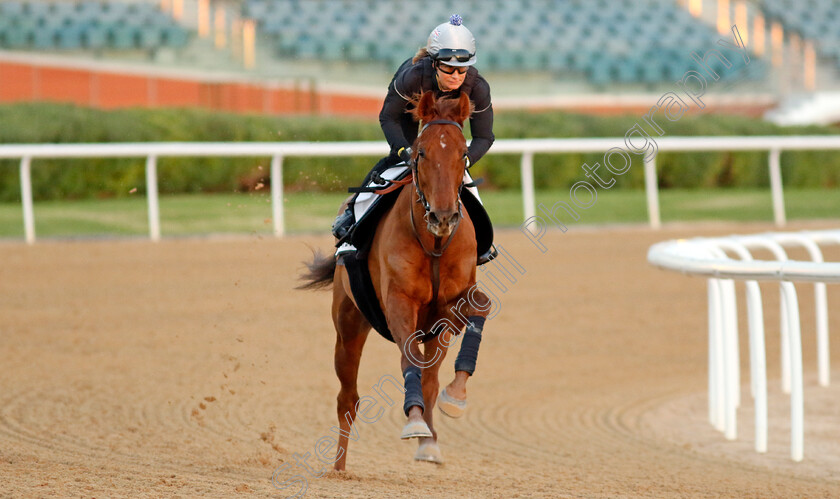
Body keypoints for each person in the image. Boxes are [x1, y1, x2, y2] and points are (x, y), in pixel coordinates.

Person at [332, 14, 496, 265]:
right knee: (392, 168)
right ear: (433, 63)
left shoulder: (478, 87)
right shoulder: (412, 77)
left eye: (462, 69)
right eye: (448, 67)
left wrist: (462, 160)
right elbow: (388, 118)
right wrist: (404, 152)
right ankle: (351, 225)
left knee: (466, 182)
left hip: (450, 130)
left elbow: (484, 136)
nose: (455, 75)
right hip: (409, 118)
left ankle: (483, 244)